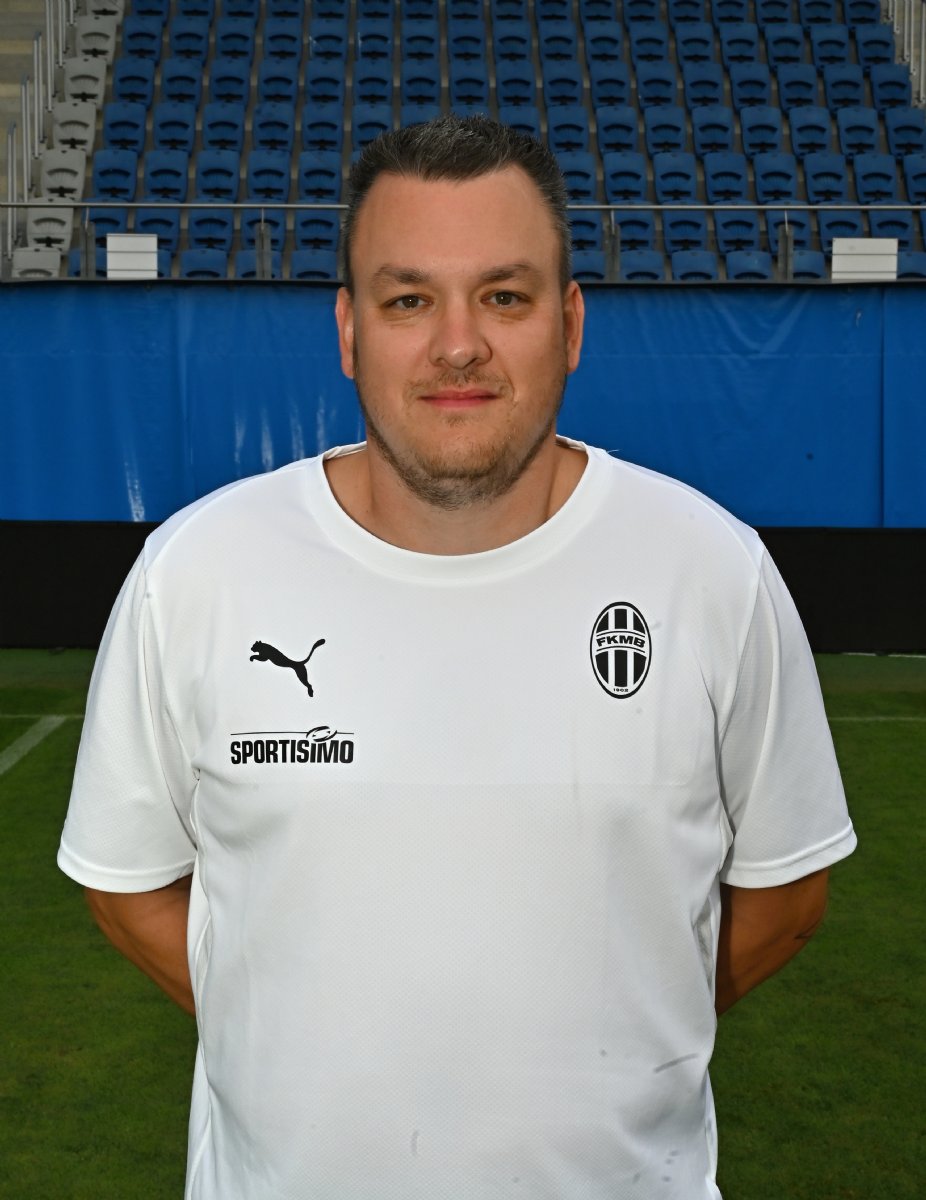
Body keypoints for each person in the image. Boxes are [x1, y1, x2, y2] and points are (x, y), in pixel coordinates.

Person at [58, 116, 856, 1200]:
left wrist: (609, 1033)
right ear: (349, 331)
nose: (457, 345)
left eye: (505, 296)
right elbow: (128, 887)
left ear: (570, 324)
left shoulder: (712, 572)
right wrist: (289, 1030)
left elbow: (786, 893)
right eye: (407, 301)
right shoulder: (194, 573)